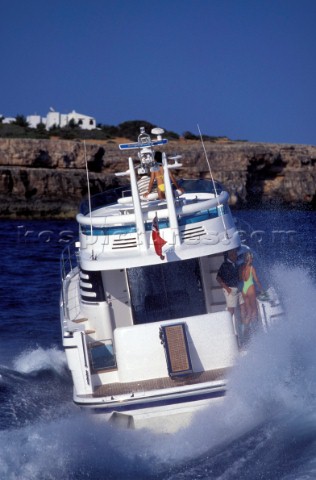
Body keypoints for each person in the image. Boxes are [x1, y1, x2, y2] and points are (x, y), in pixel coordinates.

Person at [240, 251, 263, 338]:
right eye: (251, 258)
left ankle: (245, 329)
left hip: (244, 289)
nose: (252, 259)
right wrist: (261, 289)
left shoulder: (241, 268)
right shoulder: (252, 268)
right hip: (250, 288)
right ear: (249, 259)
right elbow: (256, 280)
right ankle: (255, 331)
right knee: (254, 310)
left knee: (248, 311)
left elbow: (241, 278)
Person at [216, 249, 241, 317]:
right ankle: (226, 323)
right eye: (235, 254)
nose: (236, 256)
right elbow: (218, 278)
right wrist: (227, 288)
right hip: (229, 288)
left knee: (239, 307)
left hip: (236, 288)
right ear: (231, 256)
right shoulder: (224, 265)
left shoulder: (235, 264)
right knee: (231, 310)